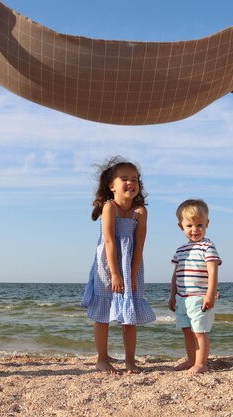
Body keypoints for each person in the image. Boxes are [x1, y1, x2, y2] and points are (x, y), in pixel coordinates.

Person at [81, 156, 156, 374]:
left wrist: (131, 275)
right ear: (111, 186)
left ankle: (130, 360)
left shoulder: (140, 212)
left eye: (135, 178)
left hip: (131, 264)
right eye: (124, 178)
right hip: (107, 266)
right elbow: (109, 241)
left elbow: (140, 245)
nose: (131, 182)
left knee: (129, 314)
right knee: (102, 313)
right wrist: (115, 273)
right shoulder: (109, 207)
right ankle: (102, 358)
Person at [168, 199, 221, 374]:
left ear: (207, 224)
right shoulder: (181, 250)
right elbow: (177, 273)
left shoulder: (208, 247)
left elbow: (213, 272)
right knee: (187, 331)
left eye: (199, 225)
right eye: (189, 225)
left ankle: (201, 363)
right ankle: (192, 360)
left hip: (199, 297)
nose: (195, 229)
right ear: (180, 226)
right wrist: (172, 295)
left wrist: (210, 295)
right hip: (182, 298)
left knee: (200, 331)